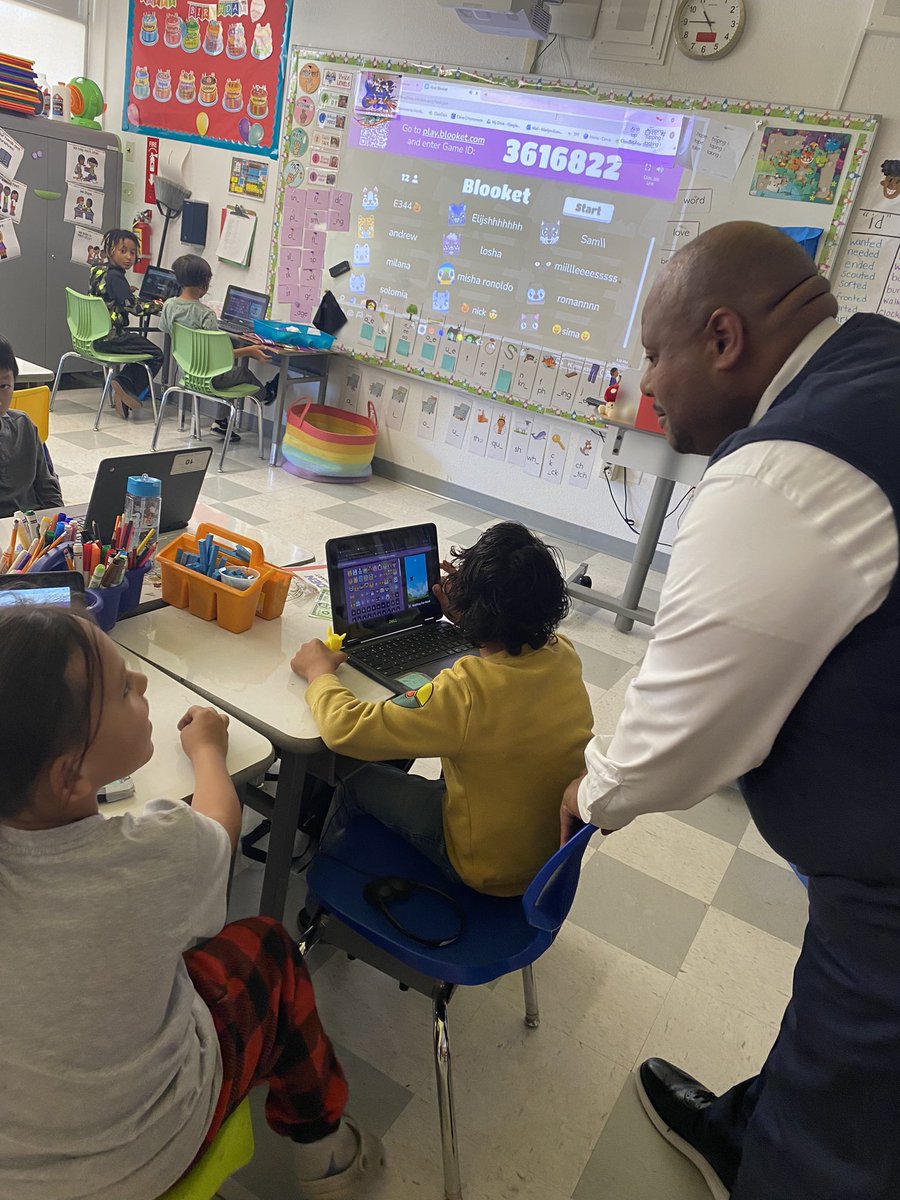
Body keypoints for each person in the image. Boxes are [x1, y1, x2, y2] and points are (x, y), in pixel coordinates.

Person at [561, 221, 900, 1200]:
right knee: (828, 1027)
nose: (646, 382)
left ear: (722, 339)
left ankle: (783, 1161)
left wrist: (589, 795)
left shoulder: (782, 474)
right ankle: (746, 1126)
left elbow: (676, 739)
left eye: (653, 353)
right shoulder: (876, 362)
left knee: (842, 1129)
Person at [0, 606, 384, 1200]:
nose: (143, 684)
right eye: (125, 689)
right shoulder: (154, 853)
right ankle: (326, 1156)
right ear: (68, 778)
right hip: (143, 1154)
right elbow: (220, 828)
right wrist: (207, 749)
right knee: (271, 948)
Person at [292, 522, 594, 897]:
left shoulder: (467, 691)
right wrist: (472, 615)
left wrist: (318, 672)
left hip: (486, 867)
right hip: (545, 854)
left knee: (353, 779)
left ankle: (331, 885)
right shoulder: (562, 652)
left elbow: (344, 729)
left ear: (475, 608)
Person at [160, 253, 275, 442]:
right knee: (242, 373)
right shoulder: (206, 315)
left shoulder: (169, 306)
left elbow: (168, 331)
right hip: (210, 380)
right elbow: (218, 357)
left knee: (229, 372)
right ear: (205, 283)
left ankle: (221, 423)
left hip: (187, 375)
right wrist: (249, 351)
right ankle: (266, 395)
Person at [89, 228, 164, 419]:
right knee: (156, 354)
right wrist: (158, 306)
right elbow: (135, 309)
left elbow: (106, 294)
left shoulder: (98, 270)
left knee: (141, 348)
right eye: (123, 251)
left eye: (132, 252)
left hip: (94, 335)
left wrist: (125, 290)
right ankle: (123, 384)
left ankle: (123, 395)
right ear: (110, 250)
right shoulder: (116, 277)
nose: (129, 257)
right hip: (112, 337)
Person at [0, 334, 62, 517]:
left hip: (30, 530)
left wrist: (59, 525)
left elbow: (47, 487)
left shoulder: (23, 426)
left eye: (4, 386)